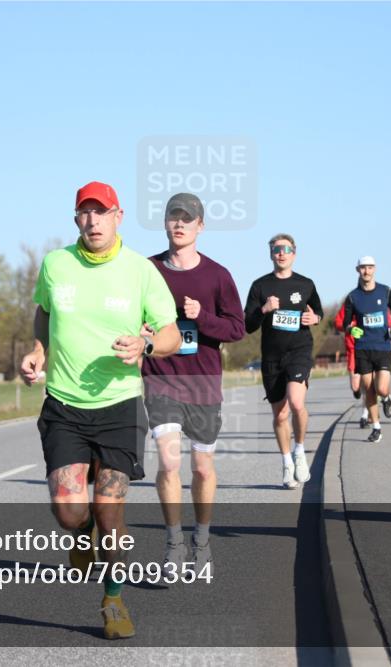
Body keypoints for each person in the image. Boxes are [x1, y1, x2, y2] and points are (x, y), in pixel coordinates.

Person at [20, 181, 181, 639]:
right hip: (65, 405)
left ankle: (112, 598)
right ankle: (83, 529)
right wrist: (38, 350)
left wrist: (147, 343)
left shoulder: (140, 272)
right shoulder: (56, 264)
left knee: (111, 511)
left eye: (101, 212)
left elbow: (171, 334)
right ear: (76, 220)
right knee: (69, 512)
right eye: (84, 213)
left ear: (118, 216)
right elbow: (44, 312)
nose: (93, 221)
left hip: (119, 407)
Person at [141, 193, 245, 571]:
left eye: (188, 218)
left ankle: (201, 538)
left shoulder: (218, 276)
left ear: (201, 226)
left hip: (203, 383)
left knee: (201, 468)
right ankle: (173, 544)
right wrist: (139, 331)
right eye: (174, 217)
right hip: (161, 379)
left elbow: (237, 329)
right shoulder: (147, 270)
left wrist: (202, 318)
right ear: (165, 223)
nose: (180, 224)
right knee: (169, 463)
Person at [244, 234, 324, 488]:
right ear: (271, 254)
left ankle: (300, 451)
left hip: (299, 351)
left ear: (294, 253)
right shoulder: (260, 286)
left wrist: (316, 319)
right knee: (280, 416)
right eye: (277, 249)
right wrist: (264, 310)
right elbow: (248, 325)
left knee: (297, 402)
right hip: (272, 357)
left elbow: (318, 312)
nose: (282, 253)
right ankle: (287, 462)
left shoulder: (306, 284)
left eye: (286, 249)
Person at [342, 256, 391, 443]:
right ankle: (377, 427)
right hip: (363, 348)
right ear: (357, 270)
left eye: (369, 268)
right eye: (362, 268)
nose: (366, 271)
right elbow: (345, 323)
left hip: (382, 345)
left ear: (374, 269)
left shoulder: (385, 291)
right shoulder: (352, 297)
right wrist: (352, 329)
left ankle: (386, 398)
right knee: (368, 389)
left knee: (382, 388)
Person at [335, 298, 370, 428]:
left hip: (367, 349)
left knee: (367, 386)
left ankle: (364, 415)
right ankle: (360, 393)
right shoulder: (347, 306)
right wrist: (348, 328)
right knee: (356, 387)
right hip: (353, 351)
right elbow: (338, 322)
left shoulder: (369, 304)